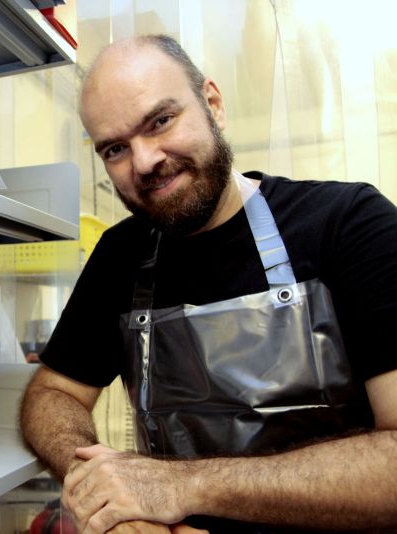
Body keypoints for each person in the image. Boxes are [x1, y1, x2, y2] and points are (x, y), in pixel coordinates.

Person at [20, 34, 397, 534]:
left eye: (160, 121)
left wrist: (180, 486)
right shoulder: (121, 254)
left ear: (213, 104)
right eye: (115, 148)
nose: (145, 161)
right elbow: (50, 395)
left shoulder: (348, 223)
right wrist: (95, 481)